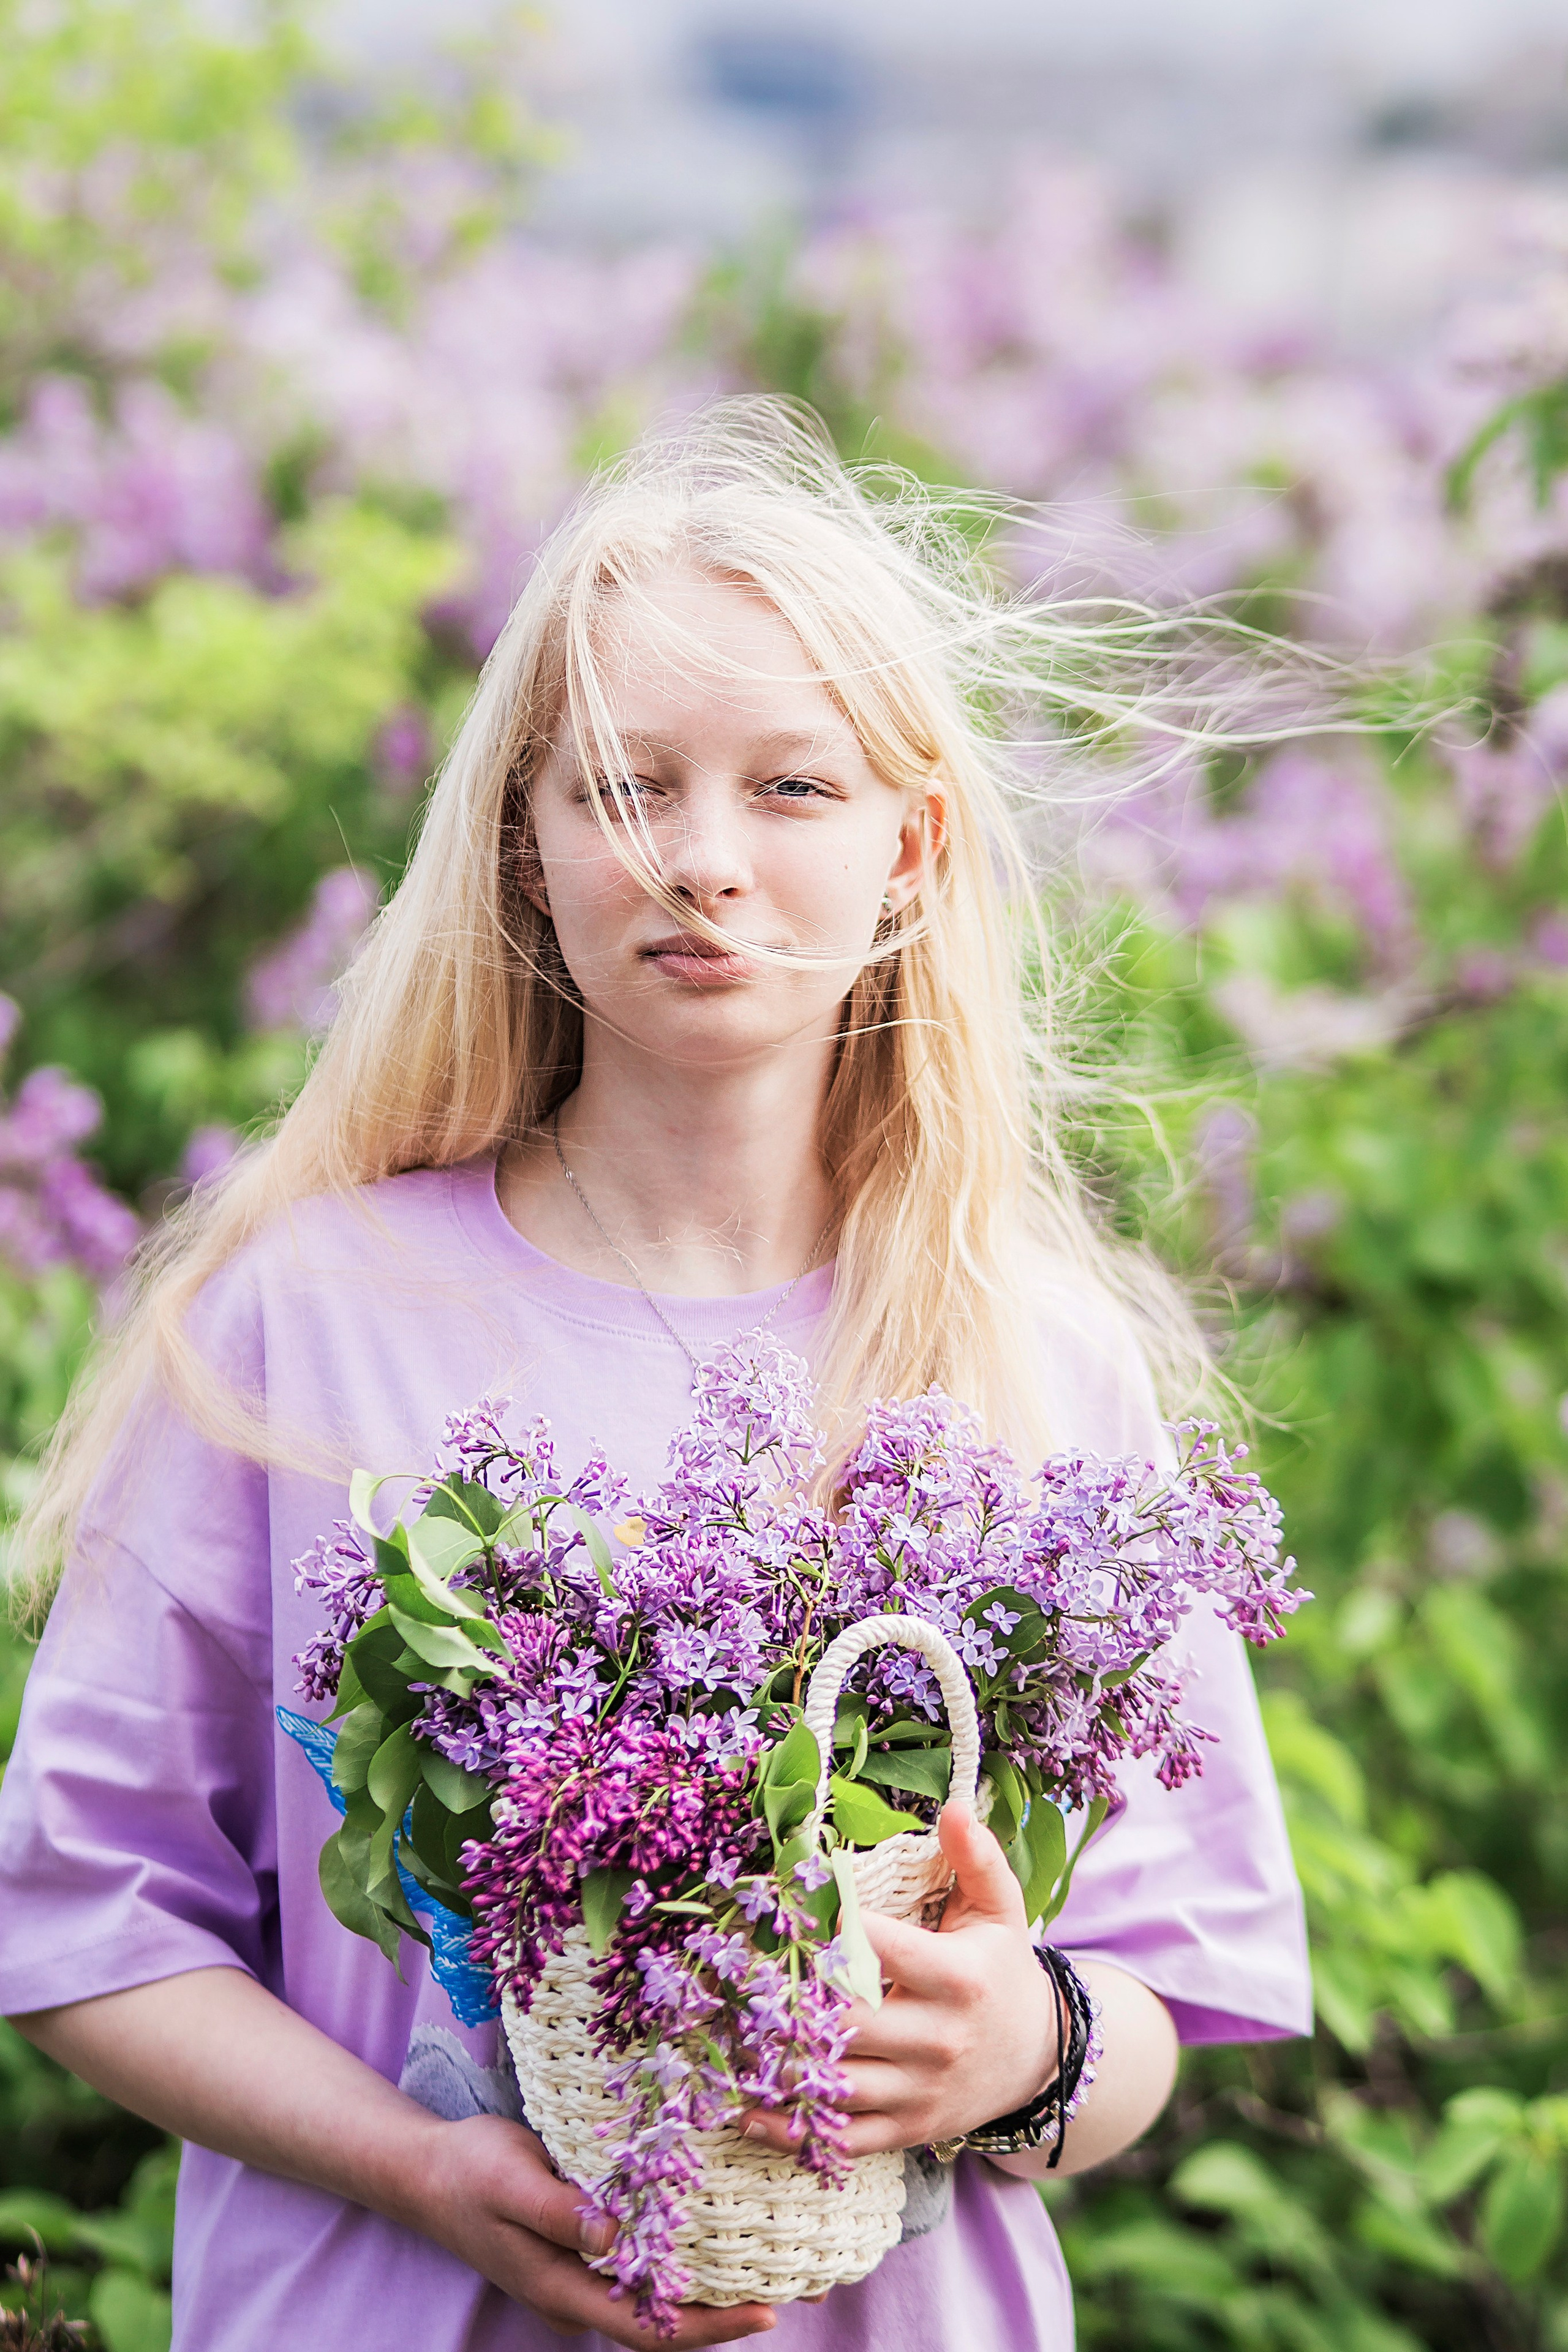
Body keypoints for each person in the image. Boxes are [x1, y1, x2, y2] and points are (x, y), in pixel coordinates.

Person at [0, 399, 1310, 2351]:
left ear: (909, 848)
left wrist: (1015, 2044)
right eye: (623, 785)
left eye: (794, 789)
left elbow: (1154, 2005)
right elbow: (75, 1920)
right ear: (525, 842)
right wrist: (420, 2169)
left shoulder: (1036, 1354)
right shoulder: (307, 1318)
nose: (704, 861)